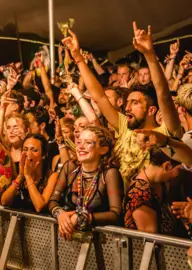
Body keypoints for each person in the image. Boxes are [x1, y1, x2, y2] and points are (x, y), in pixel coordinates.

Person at [61, 24, 183, 187]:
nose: (127, 108)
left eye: (135, 103)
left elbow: (163, 95)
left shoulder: (166, 132)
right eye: (128, 103)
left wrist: (149, 54)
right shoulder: (125, 126)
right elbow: (100, 97)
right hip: (122, 207)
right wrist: (78, 58)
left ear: (151, 110)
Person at [48, 126, 124, 240]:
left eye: (88, 142)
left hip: (102, 242)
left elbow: (116, 214)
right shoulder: (70, 167)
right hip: (69, 239)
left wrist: (82, 218)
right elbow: (53, 201)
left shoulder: (110, 173)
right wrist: (60, 214)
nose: (81, 147)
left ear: (103, 149)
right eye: (78, 142)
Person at [1, 134, 59, 212]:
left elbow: (39, 206)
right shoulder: (19, 171)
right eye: (25, 149)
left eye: (34, 150)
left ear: (44, 155)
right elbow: (4, 201)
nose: (28, 154)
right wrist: (21, 176)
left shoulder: (52, 176)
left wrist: (28, 176)